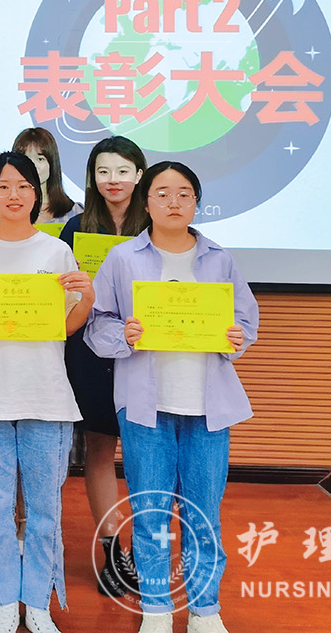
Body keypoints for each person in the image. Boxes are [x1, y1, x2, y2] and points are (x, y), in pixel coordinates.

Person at [86, 161, 259, 633]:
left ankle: (205, 611)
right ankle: (157, 610)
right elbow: (97, 325)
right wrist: (124, 334)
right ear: (146, 202)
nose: (174, 202)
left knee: (204, 514)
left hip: (208, 408)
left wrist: (235, 336)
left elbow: (246, 321)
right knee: (150, 514)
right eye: (162, 193)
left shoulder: (219, 259)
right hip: (145, 407)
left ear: (196, 202)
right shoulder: (123, 258)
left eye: (184, 194)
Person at [0, 152, 94, 633]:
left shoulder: (56, 251)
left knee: (45, 510)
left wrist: (88, 297)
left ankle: (38, 603)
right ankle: (5, 600)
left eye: (24, 186)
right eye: (4, 186)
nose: (14, 195)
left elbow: (66, 326)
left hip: (46, 395)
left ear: (37, 193)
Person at [59, 136, 149, 597]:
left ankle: (148, 550)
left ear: (139, 175)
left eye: (122, 171)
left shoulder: (155, 224)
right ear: (92, 178)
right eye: (103, 171)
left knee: (144, 450)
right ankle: (113, 550)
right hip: (89, 350)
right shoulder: (76, 227)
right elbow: (59, 290)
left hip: (144, 347)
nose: (113, 180)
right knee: (98, 448)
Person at [11, 128, 75, 226]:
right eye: (26, 159)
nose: (33, 166)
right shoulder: (4, 210)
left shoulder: (74, 212)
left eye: (40, 159)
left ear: (52, 164)